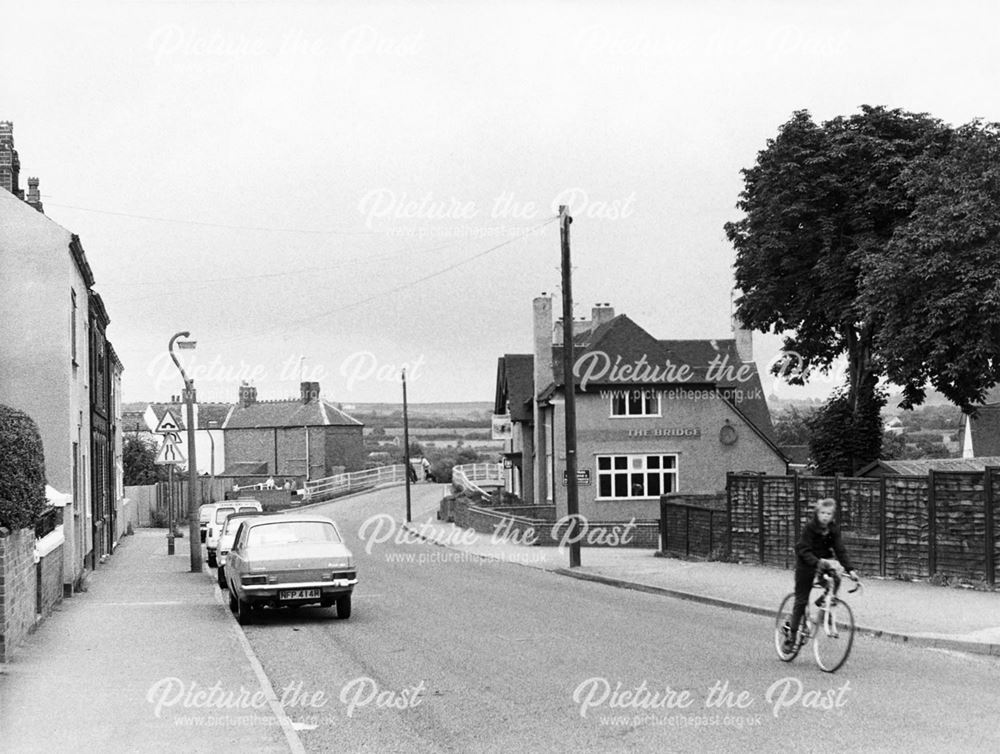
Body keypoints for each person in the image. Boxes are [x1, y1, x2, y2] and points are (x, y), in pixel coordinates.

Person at [783, 497, 858, 652]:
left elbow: (839, 549)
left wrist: (850, 569)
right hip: (806, 564)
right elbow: (802, 549)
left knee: (836, 578)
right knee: (801, 600)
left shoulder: (833, 529)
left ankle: (823, 602)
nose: (825, 516)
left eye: (829, 513)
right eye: (822, 513)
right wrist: (816, 563)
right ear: (817, 513)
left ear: (832, 515)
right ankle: (791, 636)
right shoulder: (810, 528)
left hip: (824, 562)